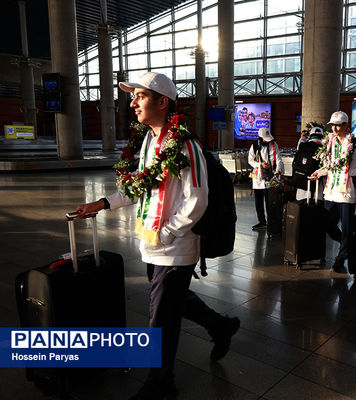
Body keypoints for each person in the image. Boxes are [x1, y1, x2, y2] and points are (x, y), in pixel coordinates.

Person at [74, 71, 240, 400]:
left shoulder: (186, 144)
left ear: (163, 102)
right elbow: (142, 186)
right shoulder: (151, 140)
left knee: (160, 315)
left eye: (141, 96)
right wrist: (104, 202)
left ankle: (162, 382)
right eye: (133, 96)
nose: (133, 102)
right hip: (153, 243)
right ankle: (220, 325)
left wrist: (166, 233)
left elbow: (198, 199)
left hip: (175, 245)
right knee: (171, 302)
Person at [311, 111, 356, 273]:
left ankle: (342, 256)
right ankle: (347, 244)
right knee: (327, 223)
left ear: (346, 125)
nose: (335, 128)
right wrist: (318, 172)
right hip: (331, 191)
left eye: (338, 125)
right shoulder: (330, 144)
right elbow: (330, 166)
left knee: (347, 227)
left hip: (347, 193)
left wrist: (354, 172)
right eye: (332, 125)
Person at [248, 127, 283, 231]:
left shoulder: (274, 145)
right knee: (258, 203)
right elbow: (250, 160)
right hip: (258, 177)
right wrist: (260, 164)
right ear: (260, 137)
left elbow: (279, 159)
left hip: (270, 177)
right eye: (265, 139)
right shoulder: (254, 146)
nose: (267, 140)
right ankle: (262, 222)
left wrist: (278, 170)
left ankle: (271, 222)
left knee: (270, 202)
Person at [295, 126, 325, 201]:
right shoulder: (324, 148)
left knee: (301, 206)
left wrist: (303, 136)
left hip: (302, 183)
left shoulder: (302, 146)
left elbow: (299, 144)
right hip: (317, 185)